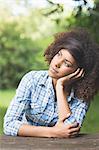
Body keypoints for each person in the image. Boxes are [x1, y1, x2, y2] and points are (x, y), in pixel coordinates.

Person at [4, 28, 99, 138]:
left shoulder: (82, 95)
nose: (57, 64)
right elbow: (9, 124)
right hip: (26, 144)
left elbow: (70, 130)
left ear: (79, 72)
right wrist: (54, 132)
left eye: (67, 64)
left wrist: (60, 87)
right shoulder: (32, 79)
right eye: (59, 54)